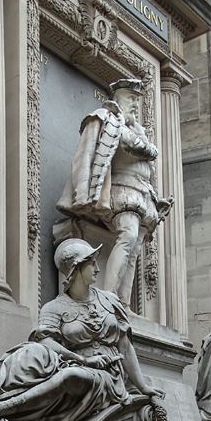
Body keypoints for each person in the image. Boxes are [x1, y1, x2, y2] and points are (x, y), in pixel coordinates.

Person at [0, 239, 163, 421]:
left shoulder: (109, 301)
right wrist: (82, 360)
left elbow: (125, 347)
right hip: (76, 363)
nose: (97, 268)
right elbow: (45, 341)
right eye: (91, 262)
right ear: (76, 268)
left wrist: (143, 386)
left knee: (71, 375)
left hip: (110, 376)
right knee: (31, 355)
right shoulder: (54, 308)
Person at [57, 78, 173, 306]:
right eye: (130, 98)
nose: (134, 105)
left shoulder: (135, 130)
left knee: (134, 249)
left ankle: (123, 303)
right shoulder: (108, 120)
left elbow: (146, 164)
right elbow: (91, 155)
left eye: (137, 100)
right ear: (117, 97)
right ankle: (108, 296)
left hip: (142, 195)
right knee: (127, 236)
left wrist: (157, 201)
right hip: (122, 192)